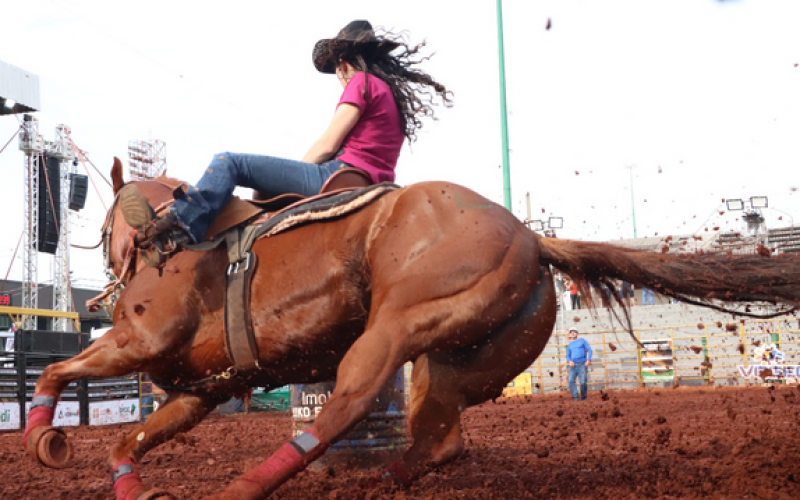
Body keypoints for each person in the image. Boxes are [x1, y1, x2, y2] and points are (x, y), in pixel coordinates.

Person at [118, 20, 452, 266]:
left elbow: (328, 143)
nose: (339, 77)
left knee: (229, 162)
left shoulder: (360, 82)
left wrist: (294, 173)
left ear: (344, 64)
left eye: (337, 70)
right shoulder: (390, 96)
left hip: (339, 174)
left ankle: (178, 226)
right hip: (370, 185)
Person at [565, 327, 592, 401]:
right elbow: (568, 355)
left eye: (574, 332)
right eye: (571, 332)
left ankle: (583, 397)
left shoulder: (582, 341)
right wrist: (569, 361)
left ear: (577, 333)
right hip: (573, 365)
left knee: (583, 382)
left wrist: (588, 359)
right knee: (570, 380)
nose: (573, 333)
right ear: (570, 335)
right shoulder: (570, 345)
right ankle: (575, 397)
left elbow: (590, 350)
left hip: (582, 364)